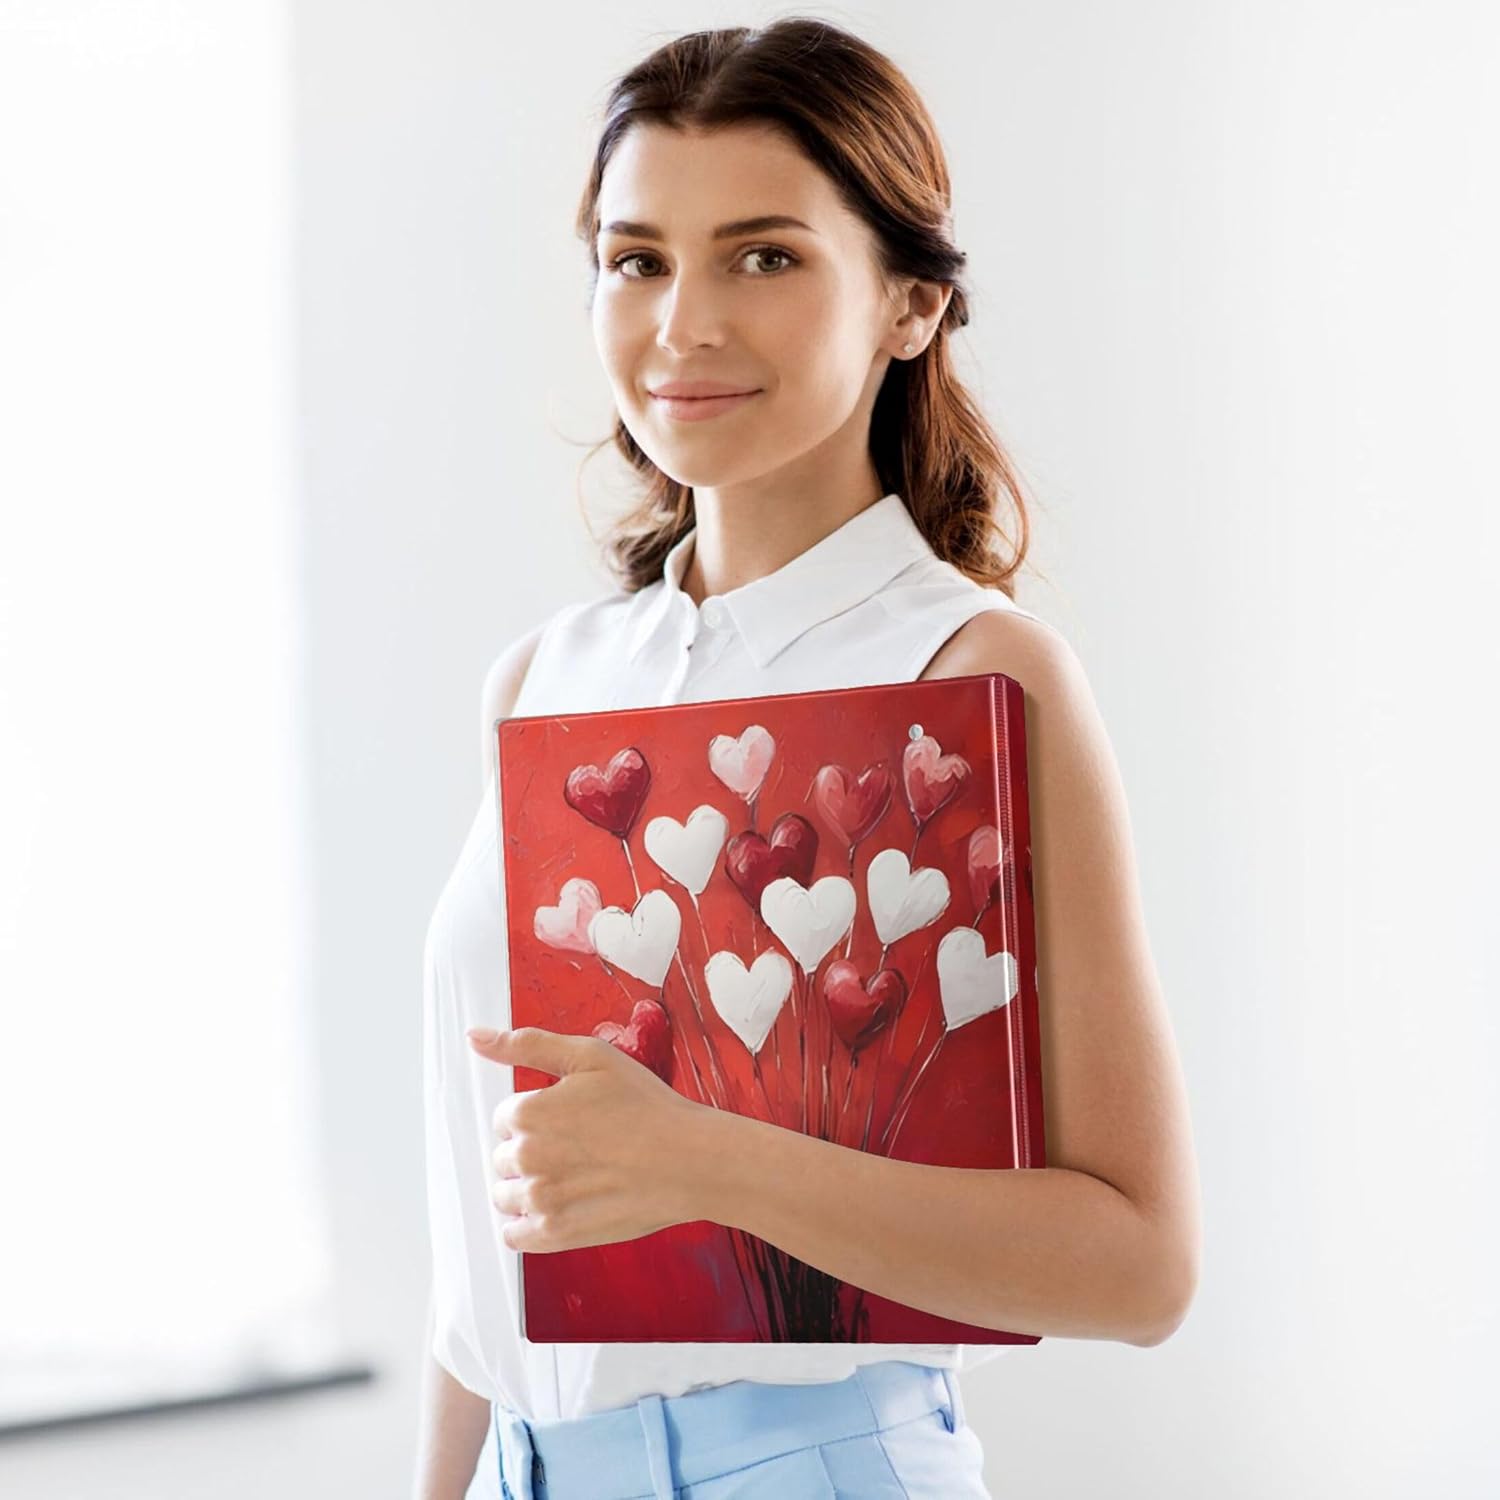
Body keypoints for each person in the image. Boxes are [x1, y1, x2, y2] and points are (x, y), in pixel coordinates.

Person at [413, 18, 1201, 1500]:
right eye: (638, 260)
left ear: (910, 302)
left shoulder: (970, 675)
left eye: (763, 257)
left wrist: (699, 1159)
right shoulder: (544, 680)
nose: (684, 324)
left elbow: (1140, 1264)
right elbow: (494, 1229)